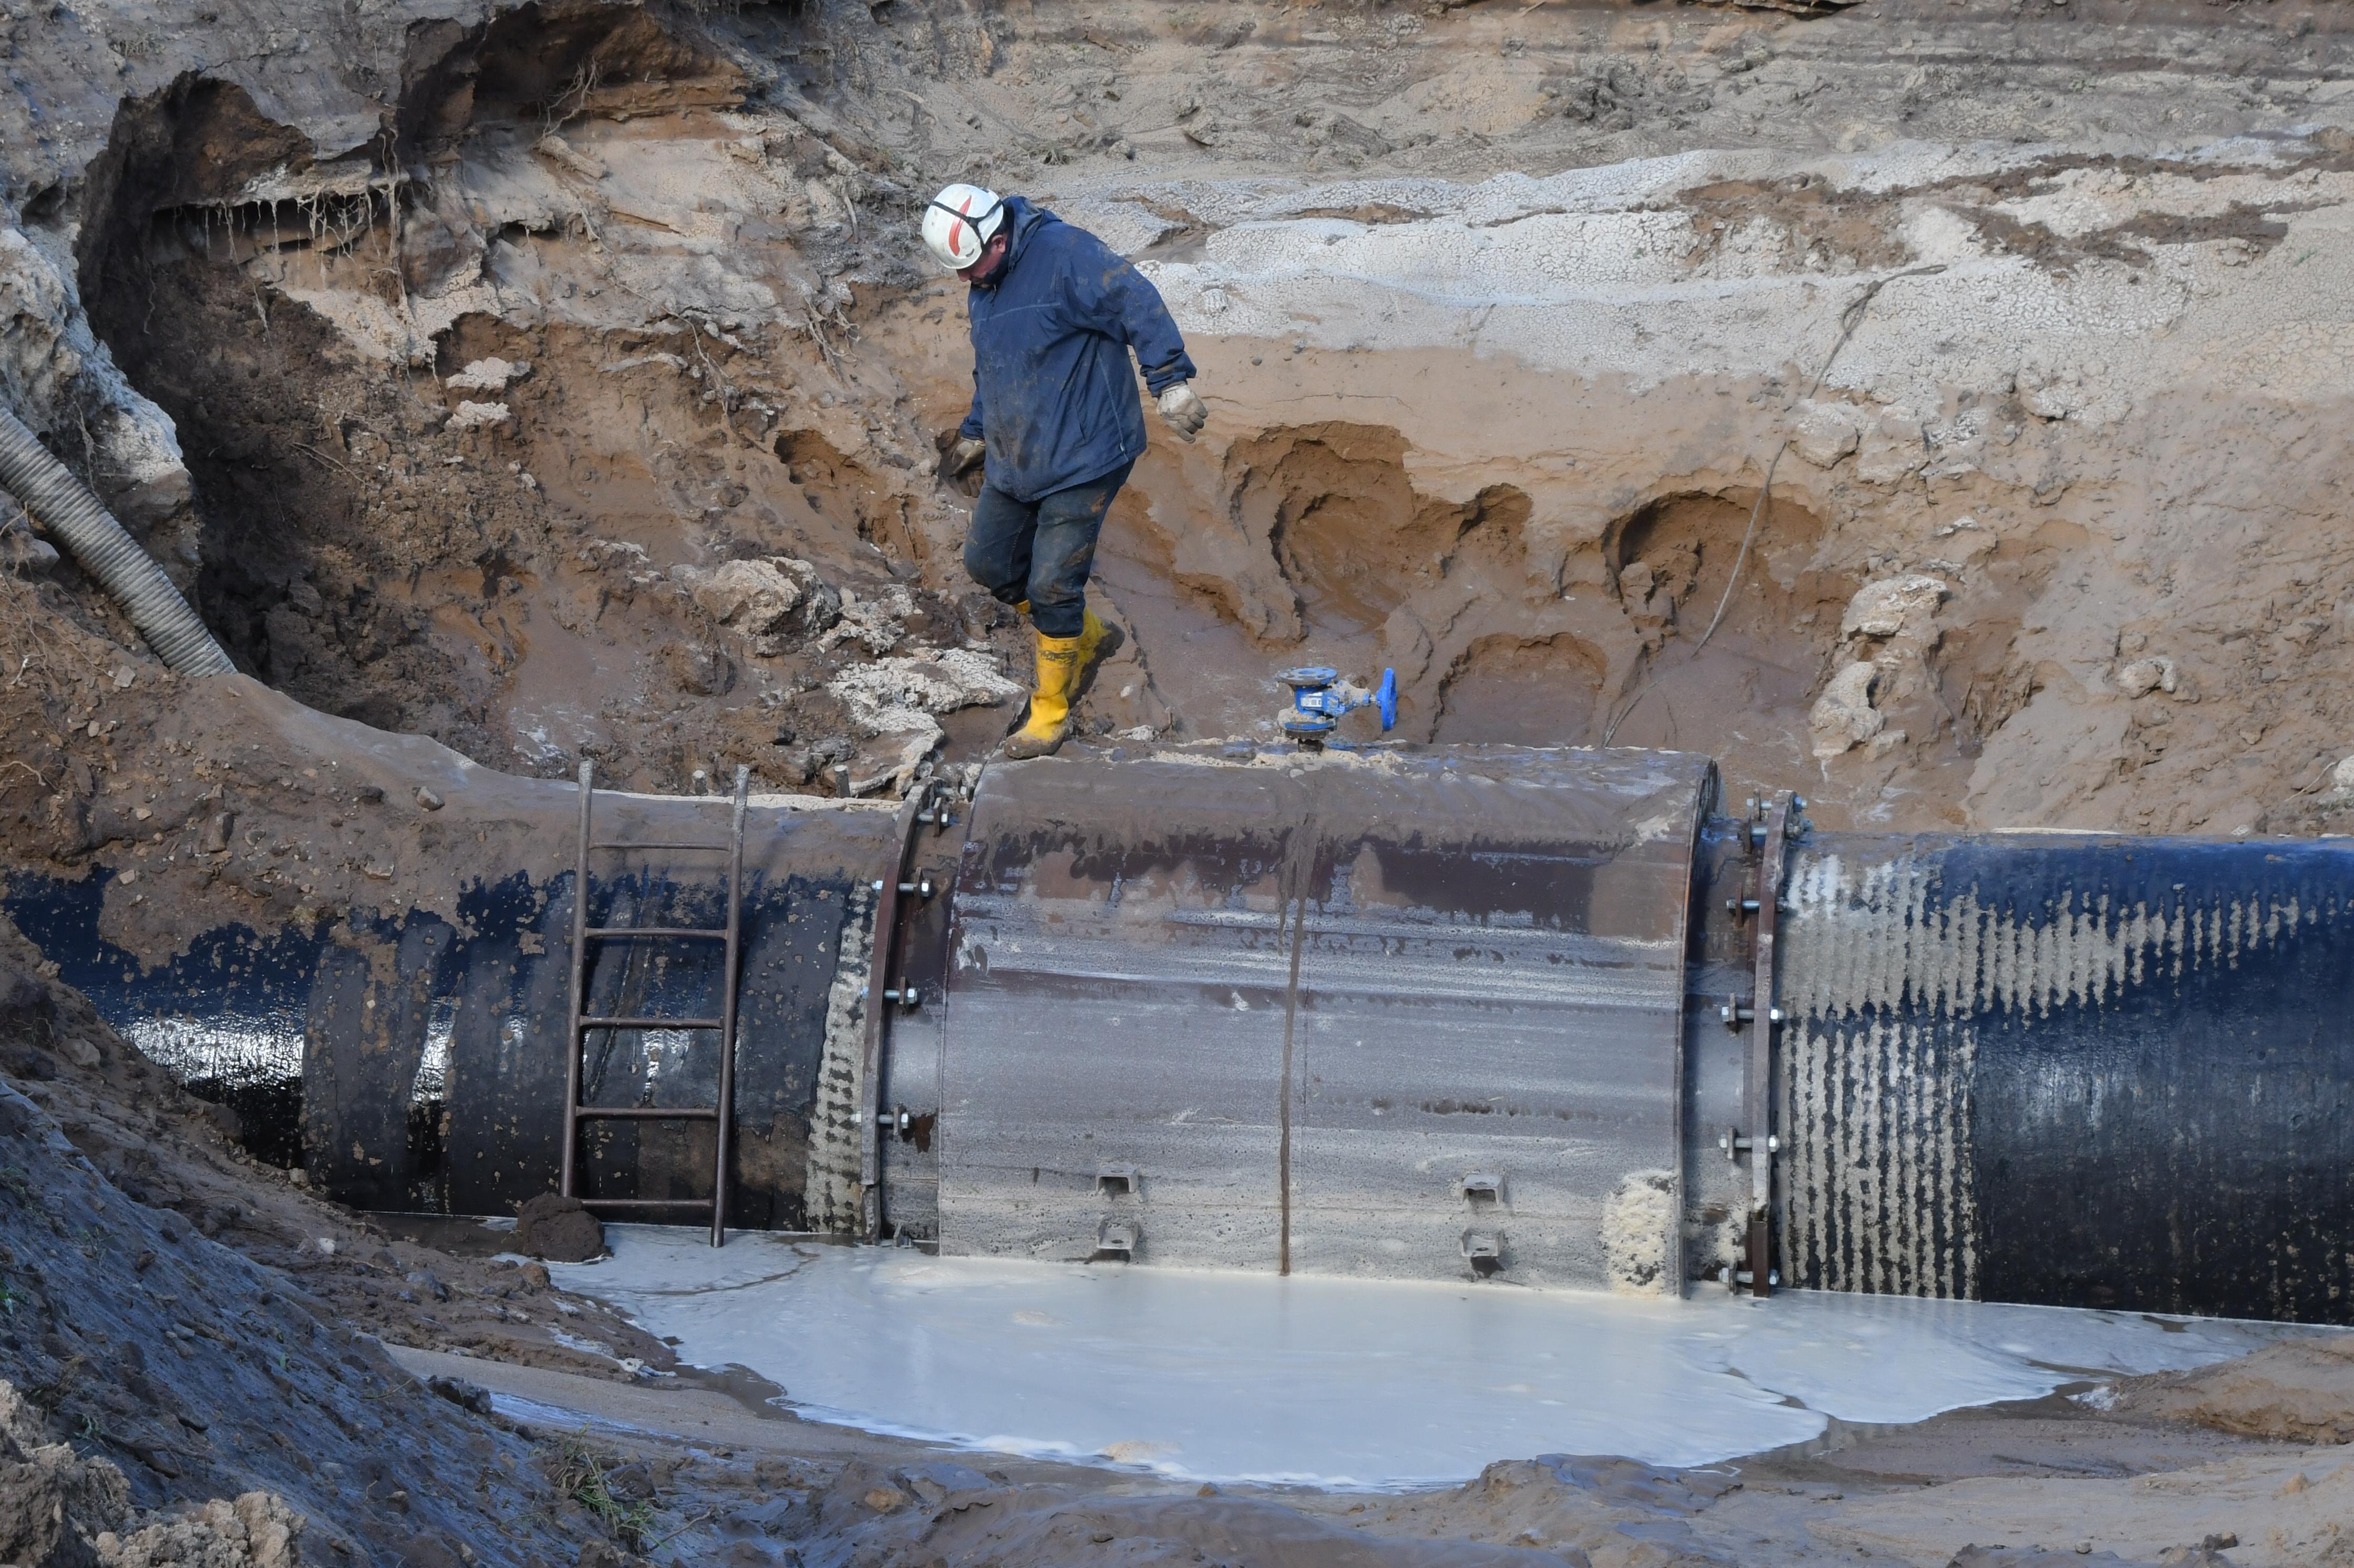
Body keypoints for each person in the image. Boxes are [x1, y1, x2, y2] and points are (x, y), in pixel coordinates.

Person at [923, 183, 1208, 759]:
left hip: (1085, 451)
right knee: (988, 564)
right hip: (1018, 453)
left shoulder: (1067, 256)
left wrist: (1170, 381)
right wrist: (978, 430)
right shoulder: (986, 279)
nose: (962, 279)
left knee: (1053, 584)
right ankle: (1088, 634)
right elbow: (997, 363)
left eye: (969, 264)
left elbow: (1135, 299)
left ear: (999, 238)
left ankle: (1050, 713)